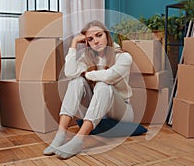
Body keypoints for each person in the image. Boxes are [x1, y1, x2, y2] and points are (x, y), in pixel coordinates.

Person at [43, 20, 134, 159]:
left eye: (99, 35)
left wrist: (87, 74)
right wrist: (73, 43)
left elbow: (109, 76)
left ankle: (79, 140)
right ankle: (60, 135)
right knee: (76, 81)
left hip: (122, 110)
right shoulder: (89, 57)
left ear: (107, 35)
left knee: (103, 84)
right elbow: (70, 72)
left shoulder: (123, 56)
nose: (96, 41)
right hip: (101, 106)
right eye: (90, 39)